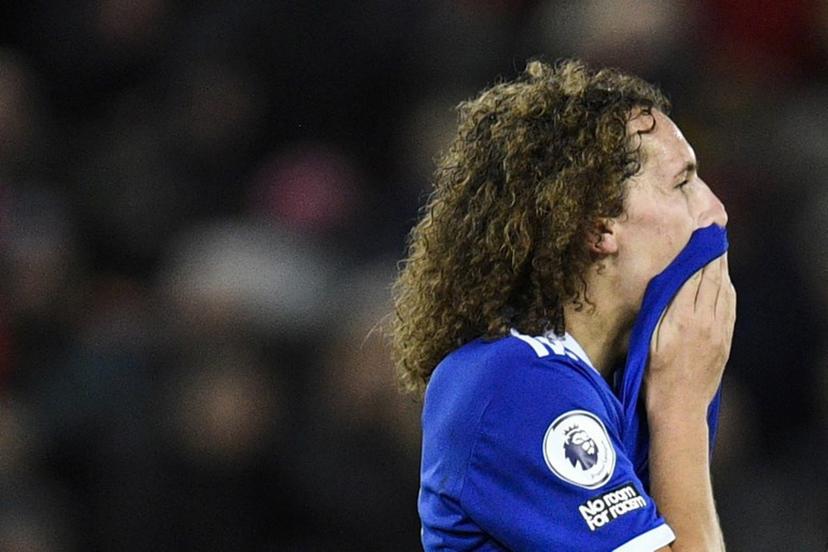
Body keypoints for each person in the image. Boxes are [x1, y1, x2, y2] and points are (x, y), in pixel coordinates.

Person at [391, 59, 736, 551]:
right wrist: (681, 410)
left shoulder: (627, 380)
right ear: (599, 228)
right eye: (683, 183)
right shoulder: (512, 384)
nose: (715, 211)